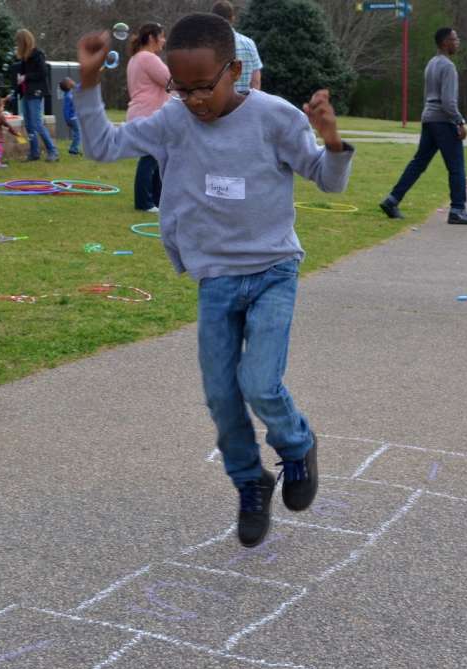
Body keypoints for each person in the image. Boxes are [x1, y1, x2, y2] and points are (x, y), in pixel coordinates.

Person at [73, 13, 353, 547]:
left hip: (273, 272)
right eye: (184, 88)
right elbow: (103, 146)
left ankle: (296, 444)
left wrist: (332, 141)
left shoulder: (275, 117)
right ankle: (251, 482)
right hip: (216, 279)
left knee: (259, 382)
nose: (196, 100)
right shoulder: (175, 121)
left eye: (206, 86)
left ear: (237, 70)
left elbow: (327, 180)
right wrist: (89, 85)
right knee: (221, 398)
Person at [379, 27, 467, 225]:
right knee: (457, 167)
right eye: (454, 39)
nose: (457, 42)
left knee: (419, 163)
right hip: (443, 121)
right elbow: (449, 102)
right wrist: (460, 122)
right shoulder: (448, 66)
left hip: (429, 119)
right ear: (444, 43)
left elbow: (429, 97)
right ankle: (458, 210)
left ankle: (392, 200)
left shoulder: (431, 64)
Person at [125, 22, 169, 212]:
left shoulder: (136, 58)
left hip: (141, 113)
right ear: (152, 38)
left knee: (155, 158)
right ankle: (144, 202)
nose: (164, 40)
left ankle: (156, 200)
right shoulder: (147, 58)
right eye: (162, 36)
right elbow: (170, 81)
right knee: (150, 158)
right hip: (149, 113)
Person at [14, 29, 60, 162]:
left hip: (36, 92)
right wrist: (18, 84)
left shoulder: (38, 54)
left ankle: (53, 151)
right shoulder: (25, 57)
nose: (17, 45)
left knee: (37, 123)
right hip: (26, 93)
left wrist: (25, 77)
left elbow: (43, 72)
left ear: (24, 41)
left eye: (19, 42)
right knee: (29, 125)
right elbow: (23, 75)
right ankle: (34, 153)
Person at [210, 0, 261, 94]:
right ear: (232, 18)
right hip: (245, 100)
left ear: (212, 19)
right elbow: (256, 81)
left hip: (216, 101)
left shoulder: (206, 45)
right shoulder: (249, 43)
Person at [59, 78, 80, 155]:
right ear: (69, 85)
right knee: (78, 134)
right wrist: (67, 120)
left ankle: (74, 149)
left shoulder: (71, 92)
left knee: (77, 133)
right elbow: (65, 110)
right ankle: (73, 149)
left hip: (73, 118)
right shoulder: (68, 96)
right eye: (71, 80)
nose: (73, 80)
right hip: (73, 118)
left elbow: (80, 86)